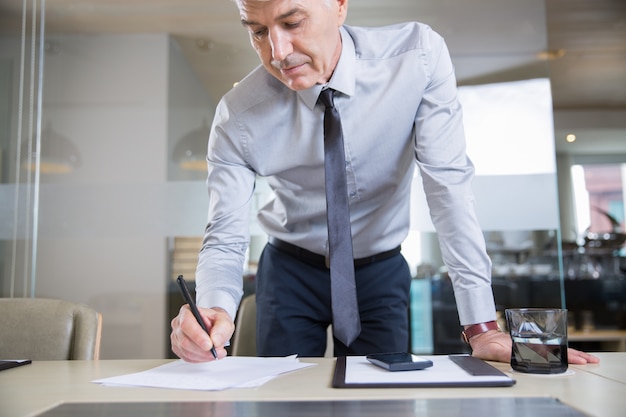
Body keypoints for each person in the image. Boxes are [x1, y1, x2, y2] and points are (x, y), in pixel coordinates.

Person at [170, 0, 599, 365]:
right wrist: (211, 309)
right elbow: (224, 236)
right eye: (258, 31)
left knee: (380, 402)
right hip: (289, 270)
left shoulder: (417, 58)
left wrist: (482, 326)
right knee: (284, 403)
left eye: (292, 22)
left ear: (339, 4)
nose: (277, 51)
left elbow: (447, 189)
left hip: (378, 269)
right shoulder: (238, 114)